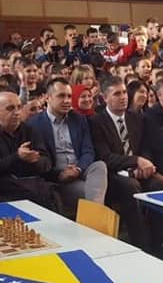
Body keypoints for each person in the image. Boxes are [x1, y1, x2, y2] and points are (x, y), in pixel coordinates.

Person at [89, 76, 163, 251]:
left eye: (124, 92)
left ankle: (160, 241)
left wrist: (144, 163)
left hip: (139, 169)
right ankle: (141, 245)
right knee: (131, 186)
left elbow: (146, 146)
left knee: (160, 183)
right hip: (114, 173)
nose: (123, 97)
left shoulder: (137, 118)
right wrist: (135, 161)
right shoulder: (96, 122)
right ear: (105, 98)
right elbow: (105, 156)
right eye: (117, 94)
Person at [0, 91, 59, 210]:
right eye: (10, 108)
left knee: (50, 195)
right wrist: (18, 157)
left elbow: (46, 163)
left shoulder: (30, 131)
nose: (17, 112)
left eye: (19, 107)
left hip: (30, 183)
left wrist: (35, 160)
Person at [28, 78, 108, 208]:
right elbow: (40, 162)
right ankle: (96, 214)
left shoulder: (79, 119)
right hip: (58, 177)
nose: (67, 101)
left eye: (69, 96)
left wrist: (78, 169)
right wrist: (60, 174)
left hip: (80, 169)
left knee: (99, 166)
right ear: (48, 98)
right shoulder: (35, 124)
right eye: (61, 96)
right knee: (89, 193)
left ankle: (95, 214)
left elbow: (88, 151)